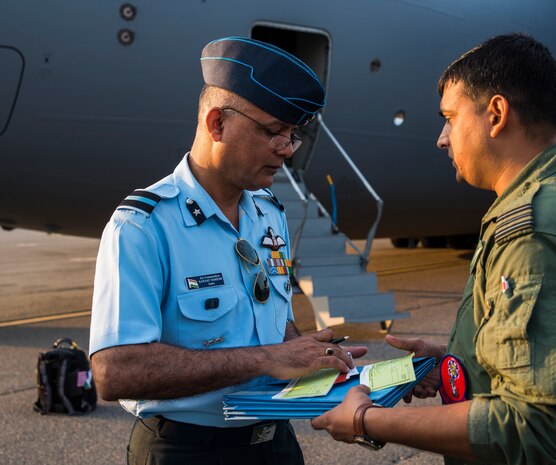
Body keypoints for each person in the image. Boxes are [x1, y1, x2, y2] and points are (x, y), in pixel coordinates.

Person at [311, 33, 556, 465]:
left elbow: (536, 426)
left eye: (450, 117)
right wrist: (459, 363)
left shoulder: (534, 231)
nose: (442, 138)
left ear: (497, 114)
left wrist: (365, 419)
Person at [89, 36, 367, 465]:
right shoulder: (144, 225)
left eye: (293, 135)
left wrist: (311, 353)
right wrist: (270, 358)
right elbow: (114, 372)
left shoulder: (270, 212)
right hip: (187, 449)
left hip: (275, 443)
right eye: (273, 132)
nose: (287, 150)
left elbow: (274, 321)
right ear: (217, 123)